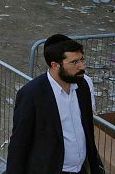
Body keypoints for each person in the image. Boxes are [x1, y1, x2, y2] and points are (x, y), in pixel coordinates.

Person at [6, 34, 104, 174]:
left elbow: (87, 129)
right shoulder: (32, 94)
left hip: (81, 169)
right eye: (74, 62)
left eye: (82, 59)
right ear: (55, 65)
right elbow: (19, 143)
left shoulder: (83, 85)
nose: (82, 66)